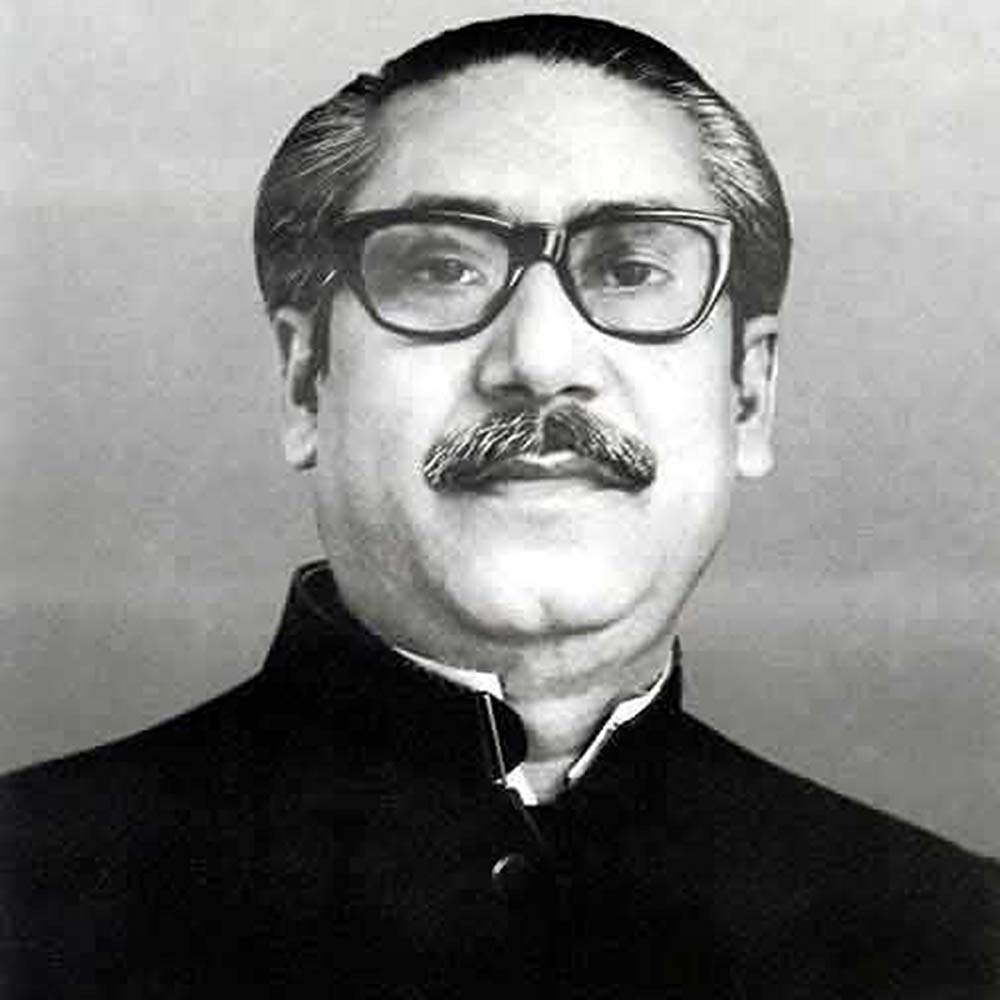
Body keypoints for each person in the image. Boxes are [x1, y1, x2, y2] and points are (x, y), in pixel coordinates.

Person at [1, 14, 997, 999]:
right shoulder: (27, 893)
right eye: (442, 268)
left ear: (748, 396)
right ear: (305, 382)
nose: (540, 359)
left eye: (630, 269)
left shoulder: (956, 942)